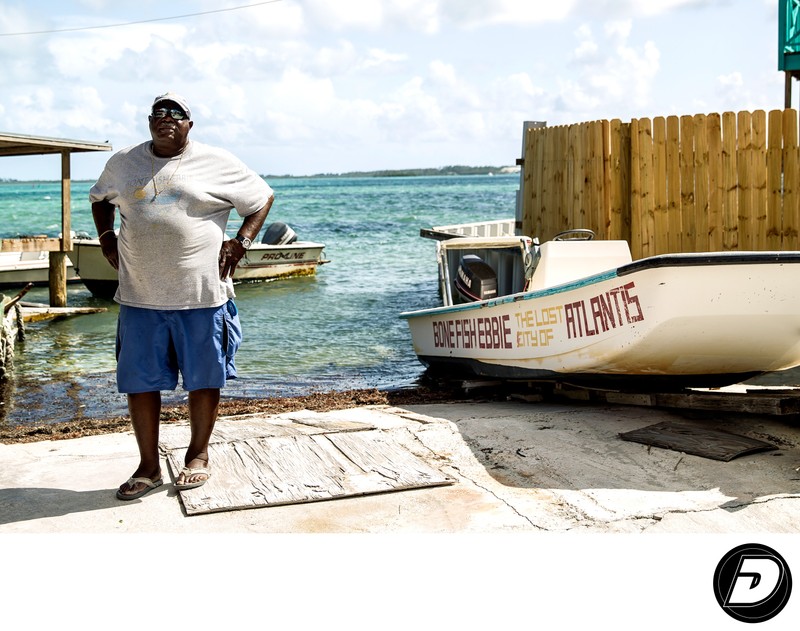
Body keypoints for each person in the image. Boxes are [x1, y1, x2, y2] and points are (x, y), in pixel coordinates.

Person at [90, 92, 274, 501]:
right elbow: (99, 198)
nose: (166, 118)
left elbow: (262, 198)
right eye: (159, 113)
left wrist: (241, 241)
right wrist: (105, 238)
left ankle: (198, 456)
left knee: (205, 379)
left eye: (177, 114)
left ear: (190, 123)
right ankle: (148, 467)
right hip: (140, 296)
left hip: (202, 295)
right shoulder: (123, 162)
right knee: (139, 383)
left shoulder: (217, 161)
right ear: (149, 121)